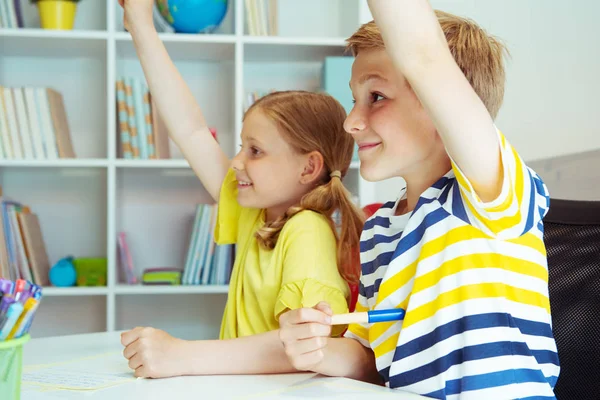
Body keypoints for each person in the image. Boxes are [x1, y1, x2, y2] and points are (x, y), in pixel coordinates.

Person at [278, 1, 560, 398]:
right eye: (355, 99)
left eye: (376, 96)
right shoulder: (378, 229)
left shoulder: (491, 193)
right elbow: (371, 355)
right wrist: (317, 349)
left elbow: (425, 59)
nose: (350, 121)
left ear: (439, 105)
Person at [117, 0, 364, 378]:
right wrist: (139, 23)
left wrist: (180, 355)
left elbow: (305, 350)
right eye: (241, 147)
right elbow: (190, 130)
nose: (236, 162)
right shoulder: (260, 215)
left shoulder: (307, 232)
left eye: (256, 151)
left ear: (308, 167)